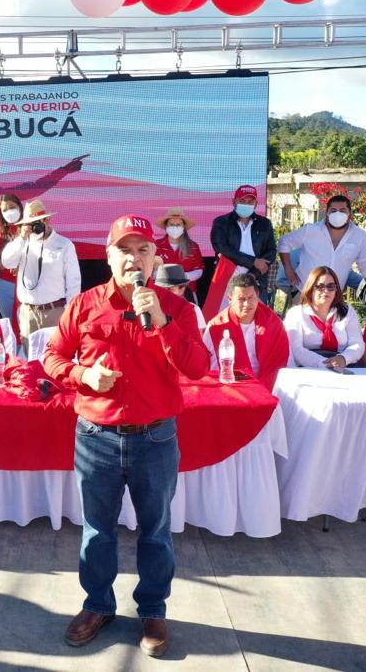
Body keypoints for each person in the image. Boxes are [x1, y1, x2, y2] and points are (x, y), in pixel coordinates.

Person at [43, 215, 208, 658]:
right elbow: (52, 359)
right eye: (124, 250)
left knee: (156, 531)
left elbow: (197, 368)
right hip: (95, 437)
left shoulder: (178, 309)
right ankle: (98, 605)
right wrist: (83, 374)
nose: (134, 258)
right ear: (108, 256)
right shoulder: (84, 305)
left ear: (156, 257)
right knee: (97, 532)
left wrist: (160, 319)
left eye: (143, 250)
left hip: (155, 439)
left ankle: (153, 609)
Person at [1, 200, 81, 349]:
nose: (35, 227)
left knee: (56, 358)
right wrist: (22, 238)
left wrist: (69, 313)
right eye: (30, 223)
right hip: (28, 313)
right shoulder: (22, 243)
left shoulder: (64, 244)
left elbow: (73, 282)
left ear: (47, 220)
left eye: (38, 222)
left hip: (55, 311)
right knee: (30, 362)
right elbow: (7, 262)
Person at [279, 194, 366, 305]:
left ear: (349, 214)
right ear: (327, 213)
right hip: (304, 293)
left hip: (334, 297)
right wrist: (288, 270)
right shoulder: (311, 230)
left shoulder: (359, 236)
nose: (338, 214)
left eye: (342, 210)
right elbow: (284, 242)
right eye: (333, 210)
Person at [205, 273, 290, 389]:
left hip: (269, 386)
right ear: (230, 299)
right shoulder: (215, 327)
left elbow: (281, 361)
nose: (246, 304)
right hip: (232, 389)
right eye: (241, 299)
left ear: (258, 295)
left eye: (251, 298)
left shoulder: (273, 323)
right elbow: (211, 368)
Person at [283, 266, 365, 369]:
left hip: (343, 367)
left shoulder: (347, 311)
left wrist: (344, 358)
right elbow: (295, 349)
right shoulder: (296, 314)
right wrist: (324, 363)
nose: (325, 291)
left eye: (330, 286)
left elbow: (357, 343)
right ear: (311, 288)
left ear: (336, 290)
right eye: (320, 286)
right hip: (308, 369)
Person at [210, 185, 277, 304]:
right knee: (225, 318)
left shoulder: (265, 224)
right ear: (234, 202)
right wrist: (253, 261)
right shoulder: (221, 222)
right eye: (242, 201)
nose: (246, 204)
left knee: (257, 318)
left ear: (256, 204)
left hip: (256, 278)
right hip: (227, 278)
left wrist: (252, 274)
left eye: (250, 201)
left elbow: (271, 252)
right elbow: (221, 247)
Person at [154, 207, 203, 299]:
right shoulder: (156, 245)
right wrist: (168, 278)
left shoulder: (193, 246)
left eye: (178, 225)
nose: (175, 227)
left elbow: (199, 271)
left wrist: (183, 277)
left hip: (188, 294)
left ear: (184, 227)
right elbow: (151, 270)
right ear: (166, 226)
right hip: (162, 294)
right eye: (171, 225)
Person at [0, 193, 23, 321]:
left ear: (20, 207)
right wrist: (11, 263)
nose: (9, 211)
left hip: (28, 284)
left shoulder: (30, 228)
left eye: (12, 207)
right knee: (10, 328)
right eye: (5, 210)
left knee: (27, 326)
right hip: (5, 286)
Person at [153, 264, 206, 331]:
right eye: (161, 289)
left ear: (181, 289)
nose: (164, 293)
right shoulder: (151, 308)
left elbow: (197, 339)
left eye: (169, 289)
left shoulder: (193, 309)